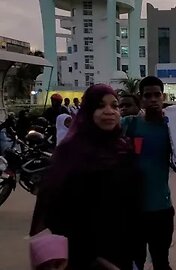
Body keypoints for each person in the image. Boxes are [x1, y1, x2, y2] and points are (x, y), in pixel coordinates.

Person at [30, 84, 141, 270]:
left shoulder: (124, 148)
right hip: (82, 255)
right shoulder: (71, 151)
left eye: (114, 106)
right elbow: (54, 209)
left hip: (122, 248)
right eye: (100, 106)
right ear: (87, 111)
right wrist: (94, 257)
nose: (109, 111)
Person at [121, 76, 175, 270]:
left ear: (163, 96)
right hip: (132, 210)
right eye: (147, 95)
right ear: (141, 99)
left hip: (162, 207)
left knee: (161, 262)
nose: (153, 99)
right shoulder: (129, 124)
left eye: (157, 95)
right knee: (135, 262)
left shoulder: (172, 128)